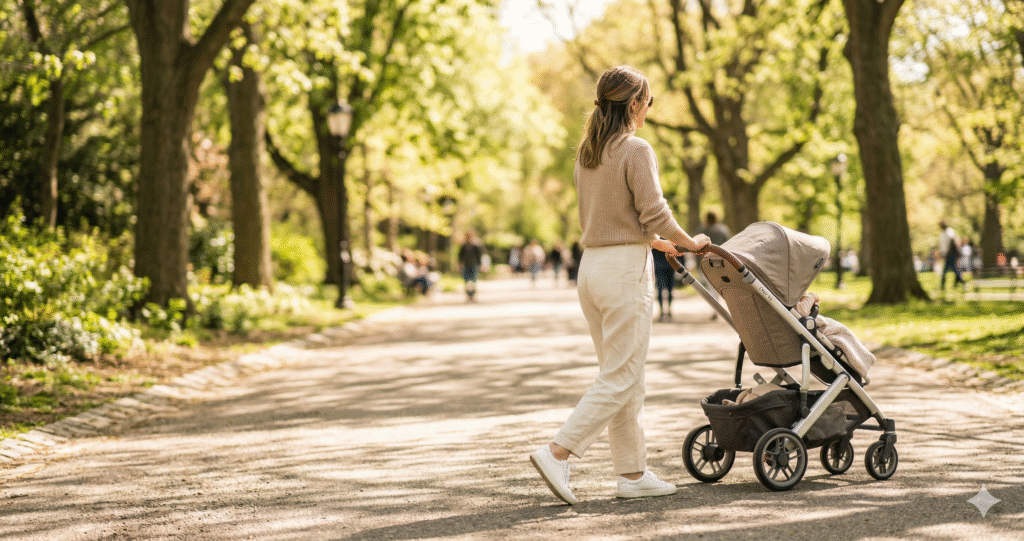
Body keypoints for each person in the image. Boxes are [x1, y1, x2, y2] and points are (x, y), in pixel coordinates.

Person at [529, 65, 710, 505]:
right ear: (634, 104)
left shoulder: (588, 154)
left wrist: (658, 242)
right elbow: (654, 208)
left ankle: (632, 473)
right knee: (622, 374)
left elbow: (611, 217)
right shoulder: (635, 149)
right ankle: (558, 452)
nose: (648, 110)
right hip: (625, 270)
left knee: (624, 375)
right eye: (648, 102)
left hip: (592, 269)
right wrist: (690, 243)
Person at [697, 211, 732, 312]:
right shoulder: (723, 230)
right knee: (725, 286)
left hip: (707, 262)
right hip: (722, 261)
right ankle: (730, 308)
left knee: (711, 287)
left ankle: (716, 309)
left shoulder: (702, 231)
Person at [458, 231, 484, 302]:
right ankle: (468, 296)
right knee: (466, 281)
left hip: (474, 265)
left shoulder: (476, 245)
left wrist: (480, 265)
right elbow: (460, 256)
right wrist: (460, 265)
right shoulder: (464, 245)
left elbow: (479, 256)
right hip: (466, 265)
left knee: (473, 281)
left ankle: (472, 295)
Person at [939, 221, 965, 290]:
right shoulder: (942, 233)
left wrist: (948, 253)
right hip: (946, 254)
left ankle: (961, 282)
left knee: (951, 269)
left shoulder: (950, 231)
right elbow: (943, 245)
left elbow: (953, 243)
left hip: (951, 254)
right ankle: (958, 282)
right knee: (952, 269)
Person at [652, 247, 675, 321]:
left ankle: (666, 311)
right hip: (664, 267)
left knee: (666, 290)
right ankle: (664, 311)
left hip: (666, 267)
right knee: (664, 290)